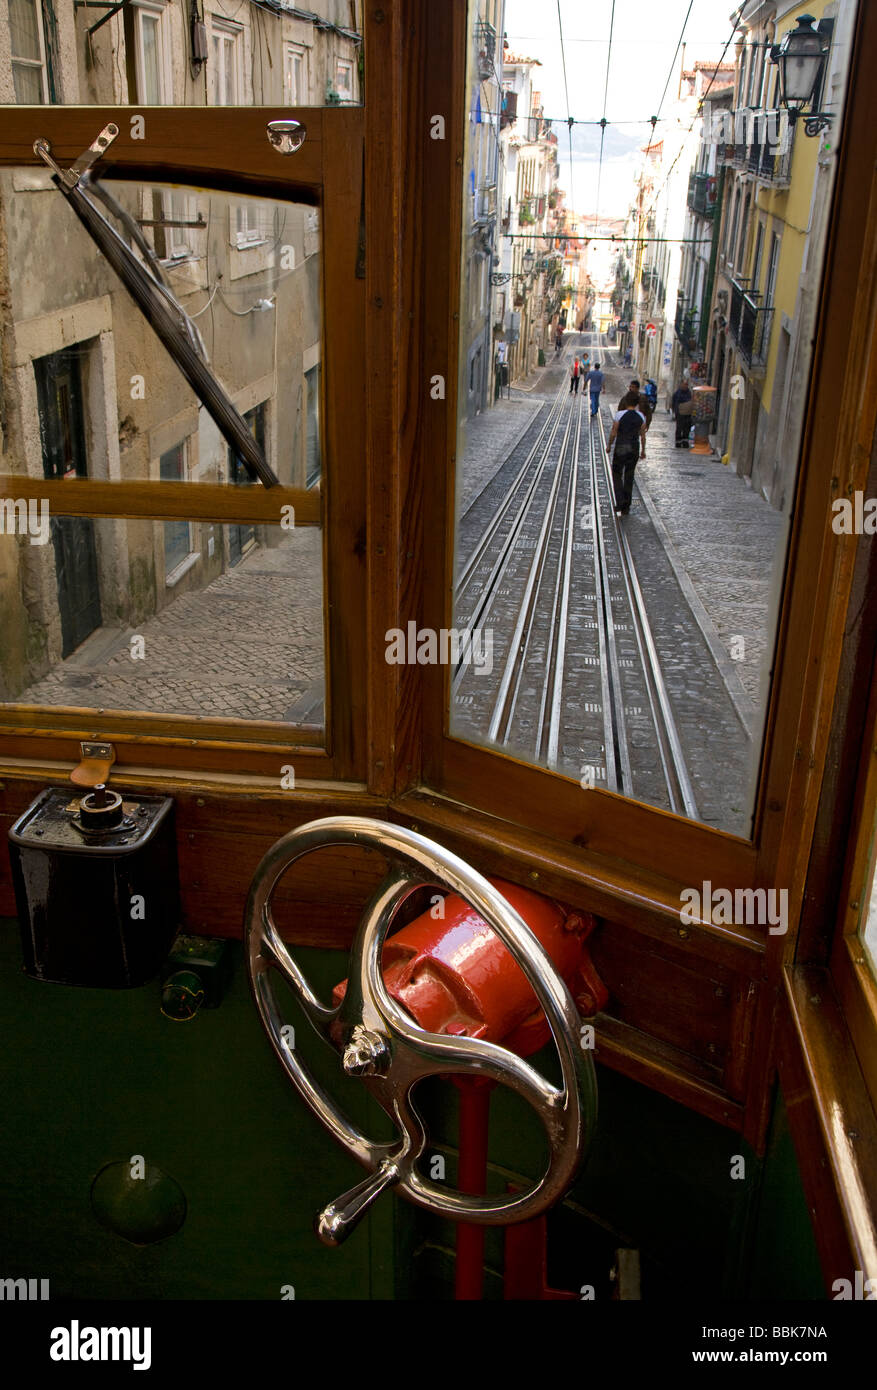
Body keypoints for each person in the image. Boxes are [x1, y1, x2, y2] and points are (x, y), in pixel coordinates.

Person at [607, 391, 648, 515]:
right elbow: (642, 436)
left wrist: (609, 445)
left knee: (617, 473)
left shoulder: (619, 415)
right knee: (629, 475)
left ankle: (619, 502)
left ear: (626, 402)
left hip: (621, 445)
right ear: (636, 404)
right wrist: (643, 450)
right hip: (634, 446)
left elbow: (614, 431)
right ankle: (627, 505)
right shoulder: (641, 416)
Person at [671, 378, 694, 447]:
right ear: (681, 385)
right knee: (679, 428)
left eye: (686, 384)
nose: (685, 386)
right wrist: (675, 411)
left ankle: (685, 442)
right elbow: (674, 402)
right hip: (680, 413)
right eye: (684, 384)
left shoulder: (689, 393)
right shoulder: (677, 393)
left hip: (688, 414)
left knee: (687, 428)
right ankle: (678, 442)